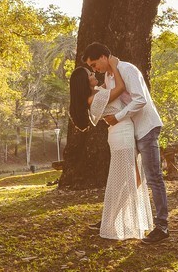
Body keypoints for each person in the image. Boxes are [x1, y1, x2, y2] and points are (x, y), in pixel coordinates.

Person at [82, 42, 169, 245]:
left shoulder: (127, 69)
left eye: (95, 64)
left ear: (104, 56)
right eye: (92, 68)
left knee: (153, 177)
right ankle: (110, 220)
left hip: (146, 127)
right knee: (131, 179)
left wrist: (118, 117)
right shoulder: (110, 78)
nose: (96, 69)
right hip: (130, 131)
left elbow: (140, 100)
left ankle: (162, 226)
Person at [68, 64, 153, 241]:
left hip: (122, 133)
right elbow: (120, 87)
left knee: (134, 178)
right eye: (89, 73)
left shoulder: (97, 93)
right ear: (84, 82)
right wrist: (113, 65)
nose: (93, 73)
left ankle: (111, 217)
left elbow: (111, 86)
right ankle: (111, 219)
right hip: (122, 135)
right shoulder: (95, 98)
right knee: (128, 179)